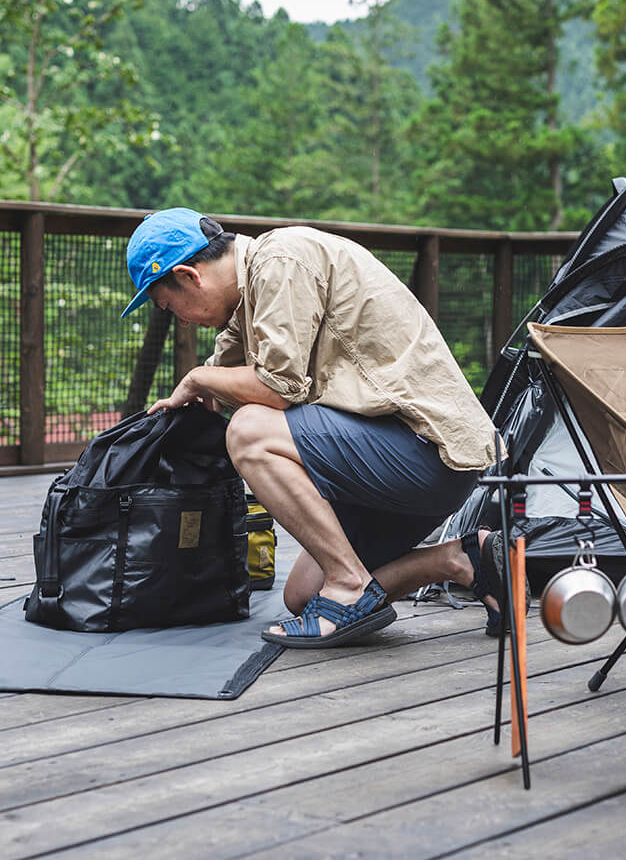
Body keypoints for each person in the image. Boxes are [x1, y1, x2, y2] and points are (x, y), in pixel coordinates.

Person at [122, 208, 508, 648]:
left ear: (189, 276)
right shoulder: (246, 300)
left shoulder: (281, 261)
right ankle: (461, 559)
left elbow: (275, 388)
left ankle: (349, 583)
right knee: (304, 595)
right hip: (397, 461)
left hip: (427, 452)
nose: (183, 321)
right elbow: (227, 373)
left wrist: (195, 379)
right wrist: (198, 391)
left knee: (249, 430)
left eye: (170, 307)